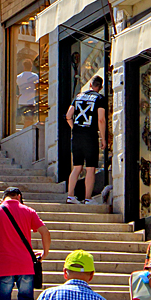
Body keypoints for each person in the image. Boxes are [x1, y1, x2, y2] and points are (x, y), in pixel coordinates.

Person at [65, 75, 107, 205]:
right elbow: (101, 119)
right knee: (90, 168)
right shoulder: (100, 98)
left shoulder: (78, 96)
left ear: (90, 85)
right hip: (90, 136)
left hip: (77, 135)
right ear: (100, 87)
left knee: (77, 167)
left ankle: (70, 196)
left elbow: (68, 115)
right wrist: (103, 138)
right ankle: (87, 198)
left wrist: (74, 128)